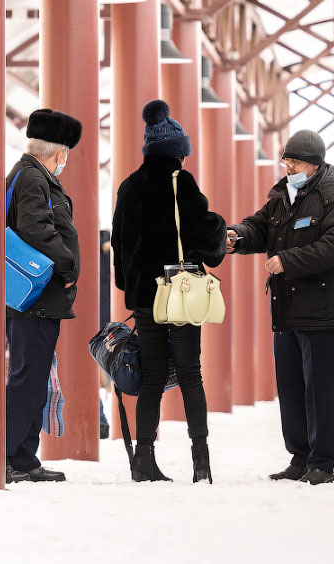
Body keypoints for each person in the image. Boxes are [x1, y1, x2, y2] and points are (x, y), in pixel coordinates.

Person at [228, 129, 334, 485]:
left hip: (321, 310)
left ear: (313, 165)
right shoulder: (283, 196)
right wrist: (237, 236)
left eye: (294, 161)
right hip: (286, 309)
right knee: (291, 388)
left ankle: (322, 462)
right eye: (286, 160)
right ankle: (299, 458)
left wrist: (287, 260)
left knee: (319, 390)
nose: (287, 166)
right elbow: (259, 226)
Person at [111, 99, 226, 483]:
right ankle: (201, 459)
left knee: (153, 377)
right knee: (191, 375)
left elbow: (121, 245)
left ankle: (144, 459)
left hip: (146, 299)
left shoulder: (128, 186)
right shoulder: (182, 183)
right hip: (179, 294)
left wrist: (132, 287)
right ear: (178, 152)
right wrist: (219, 227)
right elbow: (205, 233)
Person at [4, 109, 82, 483]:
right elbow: (37, 227)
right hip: (35, 295)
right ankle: (6, 454)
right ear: (58, 153)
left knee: (34, 378)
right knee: (27, 378)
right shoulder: (34, 178)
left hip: (33, 296)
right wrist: (67, 265)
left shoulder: (25, 174)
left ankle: (23, 458)